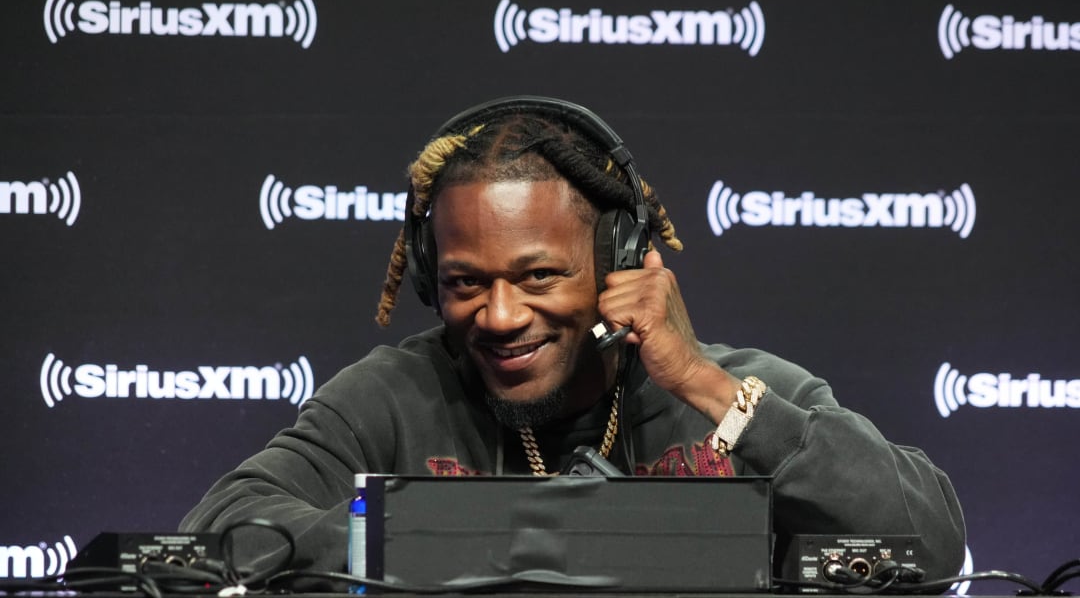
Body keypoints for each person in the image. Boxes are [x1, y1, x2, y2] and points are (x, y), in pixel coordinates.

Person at [180, 96, 965, 582]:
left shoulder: (738, 391)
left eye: (537, 277)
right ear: (430, 276)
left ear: (620, 263)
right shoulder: (394, 396)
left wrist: (702, 384)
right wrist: (437, 542)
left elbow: (931, 542)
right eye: (464, 283)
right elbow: (222, 526)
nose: (497, 315)